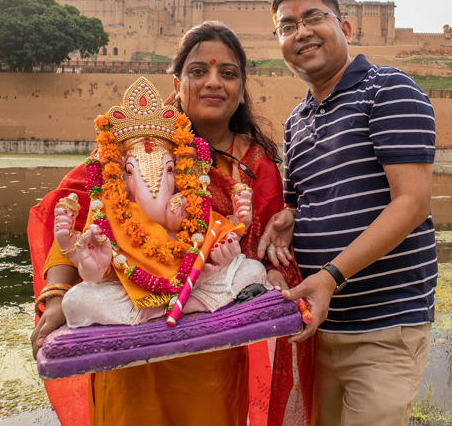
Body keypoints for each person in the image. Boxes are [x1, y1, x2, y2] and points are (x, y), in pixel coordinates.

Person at [29, 21, 313, 426]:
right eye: (198, 71)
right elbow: (77, 214)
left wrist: (276, 269)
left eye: (228, 73)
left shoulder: (256, 166)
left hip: (209, 347)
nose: (213, 82)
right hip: (125, 350)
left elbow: (268, 249)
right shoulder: (131, 144)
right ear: (177, 82)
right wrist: (57, 297)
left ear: (242, 87)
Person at [259, 0, 437, 426]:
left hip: (384, 328)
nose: (301, 32)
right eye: (287, 26)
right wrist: (288, 219)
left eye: (314, 18)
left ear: (345, 27)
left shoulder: (389, 89)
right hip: (318, 329)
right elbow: (307, 200)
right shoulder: (296, 123)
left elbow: (411, 203)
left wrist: (331, 277)